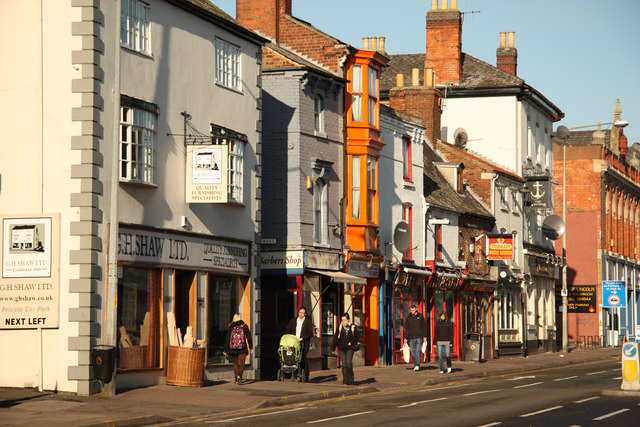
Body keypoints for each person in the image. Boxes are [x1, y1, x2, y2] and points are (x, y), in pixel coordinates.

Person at [285, 306, 314, 382]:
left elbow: (310, 333)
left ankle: (305, 375)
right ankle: (294, 373)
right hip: (294, 342)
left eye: (303, 313)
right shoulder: (293, 321)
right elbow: (288, 329)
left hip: (304, 342)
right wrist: (288, 337)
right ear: (298, 313)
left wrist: (302, 338)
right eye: (300, 313)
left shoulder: (308, 321)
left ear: (305, 314)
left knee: (303, 358)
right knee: (294, 357)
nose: (301, 314)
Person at [224, 313, 253, 385]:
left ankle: (237, 377)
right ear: (240, 317)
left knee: (235, 363)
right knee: (242, 364)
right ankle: (239, 376)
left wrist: (226, 349)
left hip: (233, 348)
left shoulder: (231, 326)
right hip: (242, 348)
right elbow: (249, 337)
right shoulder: (244, 326)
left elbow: (228, 338)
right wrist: (251, 347)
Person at [331, 313, 359, 385]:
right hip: (341, 348)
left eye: (345, 320)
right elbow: (336, 338)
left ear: (348, 320)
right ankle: (345, 380)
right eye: (342, 320)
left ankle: (351, 378)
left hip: (350, 348)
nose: (344, 322)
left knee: (348, 363)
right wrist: (333, 348)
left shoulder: (353, 327)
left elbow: (356, 338)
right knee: (344, 365)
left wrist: (351, 342)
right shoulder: (340, 327)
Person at [403, 304, 427, 371]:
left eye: (413, 310)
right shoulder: (408, 317)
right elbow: (407, 328)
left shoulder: (420, 316)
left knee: (417, 351)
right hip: (411, 337)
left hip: (419, 336)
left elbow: (424, 327)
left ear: (416, 309)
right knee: (413, 351)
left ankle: (417, 365)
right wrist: (406, 338)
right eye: (411, 310)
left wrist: (425, 336)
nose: (412, 311)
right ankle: (415, 364)